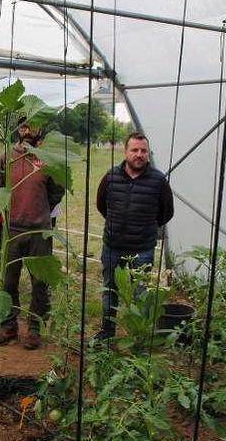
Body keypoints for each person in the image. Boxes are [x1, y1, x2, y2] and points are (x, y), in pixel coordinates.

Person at [93, 132, 174, 342]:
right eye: (134, 150)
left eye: (143, 151)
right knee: (110, 289)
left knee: (140, 293)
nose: (139, 154)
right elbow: (102, 205)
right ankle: (107, 332)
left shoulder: (158, 181)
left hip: (142, 249)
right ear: (126, 152)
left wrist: (145, 228)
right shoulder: (111, 177)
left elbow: (167, 212)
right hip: (113, 246)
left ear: (148, 154)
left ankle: (137, 337)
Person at [0, 119, 64, 350]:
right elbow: (0, 186)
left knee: (40, 282)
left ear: (40, 129)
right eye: (23, 126)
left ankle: (35, 328)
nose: (27, 130)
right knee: (8, 281)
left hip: (39, 229)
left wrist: (40, 209)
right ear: (19, 130)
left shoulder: (48, 156)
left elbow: (57, 190)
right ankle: (9, 325)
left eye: (32, 126)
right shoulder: (8, 155)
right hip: (13, 229)